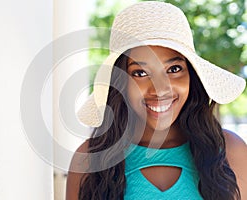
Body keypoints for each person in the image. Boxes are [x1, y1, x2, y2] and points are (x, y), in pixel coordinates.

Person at [66, 1, 247, 199]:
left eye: (174, 69)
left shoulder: (230, 150)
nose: (160, 89)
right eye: (140, 72)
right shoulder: (89, 161)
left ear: (191, 77)